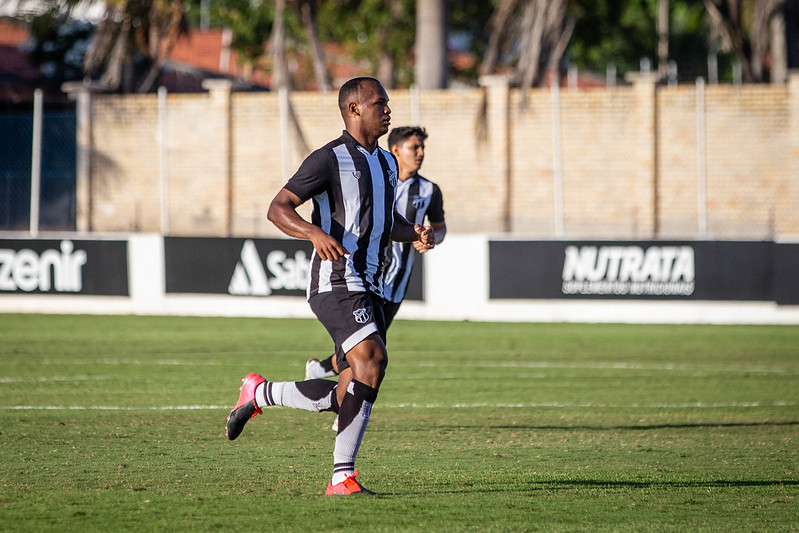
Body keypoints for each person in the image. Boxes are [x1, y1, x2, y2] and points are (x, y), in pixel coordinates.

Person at [224, 77, 435, 496]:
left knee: (346, 391)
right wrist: (312, 233)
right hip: (336, 279)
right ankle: (343, 477)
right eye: (380, 103)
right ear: (354, 109)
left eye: (388, 102)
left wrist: (411, 231)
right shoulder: (327, 159)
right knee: (372, 361)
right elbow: (277, 208)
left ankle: (259, 393)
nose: (388, 109)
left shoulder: (388, 163)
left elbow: (380, 222)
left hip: (369, 285)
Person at [305, 126, 446, 387]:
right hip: (364, 275)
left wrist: (431, 236)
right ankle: (341, 401)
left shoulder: (429, 190)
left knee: (369, 349)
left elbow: (438, 225)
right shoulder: (374, 177)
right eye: (414, 147)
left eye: (422, 148)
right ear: (396, 150)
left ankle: (324, 374)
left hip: (395, 284)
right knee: (367, 350)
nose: (421, 153)